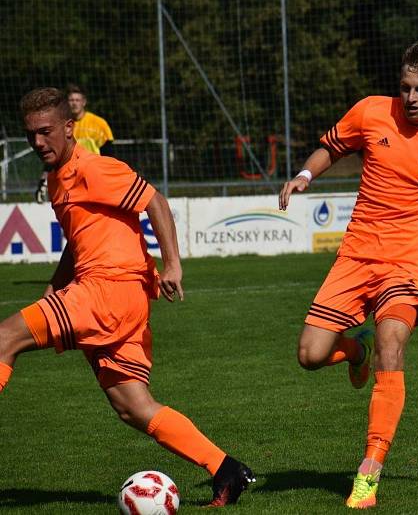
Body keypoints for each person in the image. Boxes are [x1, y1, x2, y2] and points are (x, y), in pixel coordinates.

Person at [1, 87, 255, 505]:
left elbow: (155, 200)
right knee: (133, 406)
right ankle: (226, 469)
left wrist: (172, 263)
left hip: (107, 290)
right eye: (30, 135)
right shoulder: (56, 177)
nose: (37, 143)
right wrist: (55, 284)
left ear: (69, 128)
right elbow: (78, 238)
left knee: (4, 338)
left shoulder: (94, 168)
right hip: (117, 296)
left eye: (45, 132)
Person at [279, 33, 418, 509]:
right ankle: (357, 353)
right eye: (405, 87)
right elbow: (330, 148)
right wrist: (304, 175)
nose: (410, 98)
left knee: (393, 344)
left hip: (407, 262)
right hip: (355, 255)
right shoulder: (372, 111)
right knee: (310, 355)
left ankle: (370, 468)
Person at [34, 84, 114, 203]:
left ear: (84, 102)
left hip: (94, 177)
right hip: (69, 179)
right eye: (71, 100)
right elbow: (55, 153)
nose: (74, 103)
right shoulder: (60, 125)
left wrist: (108, 177)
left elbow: (109, 155)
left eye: (77, 100)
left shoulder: (99, 124)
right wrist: (44, 178)